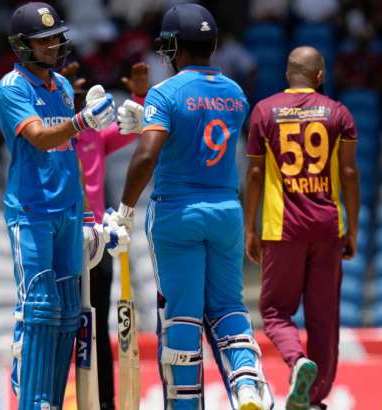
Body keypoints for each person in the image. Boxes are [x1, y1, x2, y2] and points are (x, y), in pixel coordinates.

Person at [109, 4, 274, 410]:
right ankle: (248, 386)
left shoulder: (166, 93)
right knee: (229, 307)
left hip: (177, 213)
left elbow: (149, 154)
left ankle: (185, 404)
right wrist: (147, 118)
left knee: (181, 314)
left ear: (171, 47)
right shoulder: (235, 93)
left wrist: (125, 210)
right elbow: (196, 131)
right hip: (226, 212)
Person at [0, 3, 118, 409]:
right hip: (31, 210)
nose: (53, 44)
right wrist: (83, 120)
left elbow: (71, 153)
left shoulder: (62, 87)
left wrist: (86, 214)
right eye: (43, 39)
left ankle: (51, 400)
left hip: (67, 211)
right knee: (41, 309)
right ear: (22, 45)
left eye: (55, 37)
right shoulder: (11, 88)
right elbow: (41, 138)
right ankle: (32, 398)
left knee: (67, 313)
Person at [244, 46, 360, 410]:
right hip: (328, 227)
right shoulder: (338, 113)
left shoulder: (264, 111)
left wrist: (250, 228)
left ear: (287, 75)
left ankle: (297, 361)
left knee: (276, 311)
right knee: (324, 318)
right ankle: (314, 399)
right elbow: (350, 173)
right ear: (320, 76)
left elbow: (256, 173)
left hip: (282, 228)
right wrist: (352, 228)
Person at [61, 60, 149, 410]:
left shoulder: (92, 135)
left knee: (97, 329)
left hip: (95, 242)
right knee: (63, 328)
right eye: (73, 95)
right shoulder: (56, 136)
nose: (79, 100)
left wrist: (139, 93)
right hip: (63, 240)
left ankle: (106, 404)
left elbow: (134, 127)